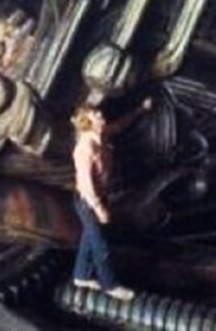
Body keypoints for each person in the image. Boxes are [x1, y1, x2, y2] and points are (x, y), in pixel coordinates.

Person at [71, 98, 152, 302]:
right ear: (87, 122)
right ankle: (110, 285)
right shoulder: (85, 149)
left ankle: (81, 275)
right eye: (95, 115)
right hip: (88, 201)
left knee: (89, 237)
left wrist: (141, 109)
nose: (101, 115)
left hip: (100, 196)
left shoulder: (102, 133)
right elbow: (86, 185)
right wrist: (99, 208)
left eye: (99, 113)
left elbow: (120, 125)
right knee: (101, 245)